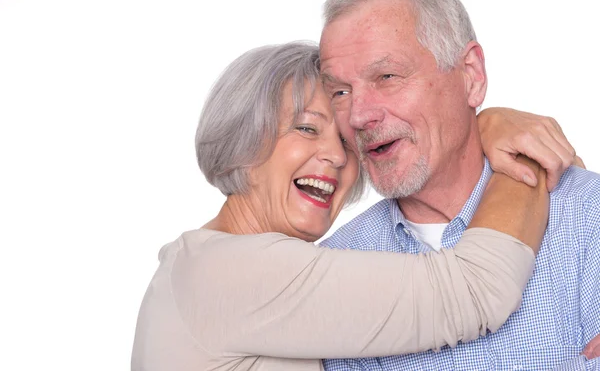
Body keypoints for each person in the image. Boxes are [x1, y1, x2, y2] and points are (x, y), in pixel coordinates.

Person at [131, 42, 574, 371]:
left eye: (347, 140)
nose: (340, 157)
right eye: (306, 128)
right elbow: (476, 290)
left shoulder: (197, 264)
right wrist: (511, 145)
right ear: (243, 142)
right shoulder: (228, 272)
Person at [318, 0, 600, 370]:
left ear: (471, 75)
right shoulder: (333, 275)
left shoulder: (589, 216)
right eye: (340, 92)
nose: (360, 115)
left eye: (387, 76)